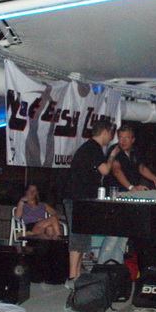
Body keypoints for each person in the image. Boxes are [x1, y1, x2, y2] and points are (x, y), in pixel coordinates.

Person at [99, 123, 156, 264]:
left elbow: (142, 169)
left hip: (129, 198)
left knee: (124, 236)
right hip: (117, 196)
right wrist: (131, 187)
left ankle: (116, 267)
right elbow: (116, 170)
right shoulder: (114, 150)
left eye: (126, 138)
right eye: (120, 137)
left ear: (133, 139)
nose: (123, 141)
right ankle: (102, 266)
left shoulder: (134, 152)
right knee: (113, 235)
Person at [63, 120, 120, 288]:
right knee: (77, 237)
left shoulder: (90, 148)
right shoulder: (93, 148)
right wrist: (112, 155)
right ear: (105, 132)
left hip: (82, 199)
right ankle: (72, 277)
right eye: (111, 134)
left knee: (82, 238)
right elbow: (105, 170)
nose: (111, 138)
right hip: (77, 199)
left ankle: (77, 275)